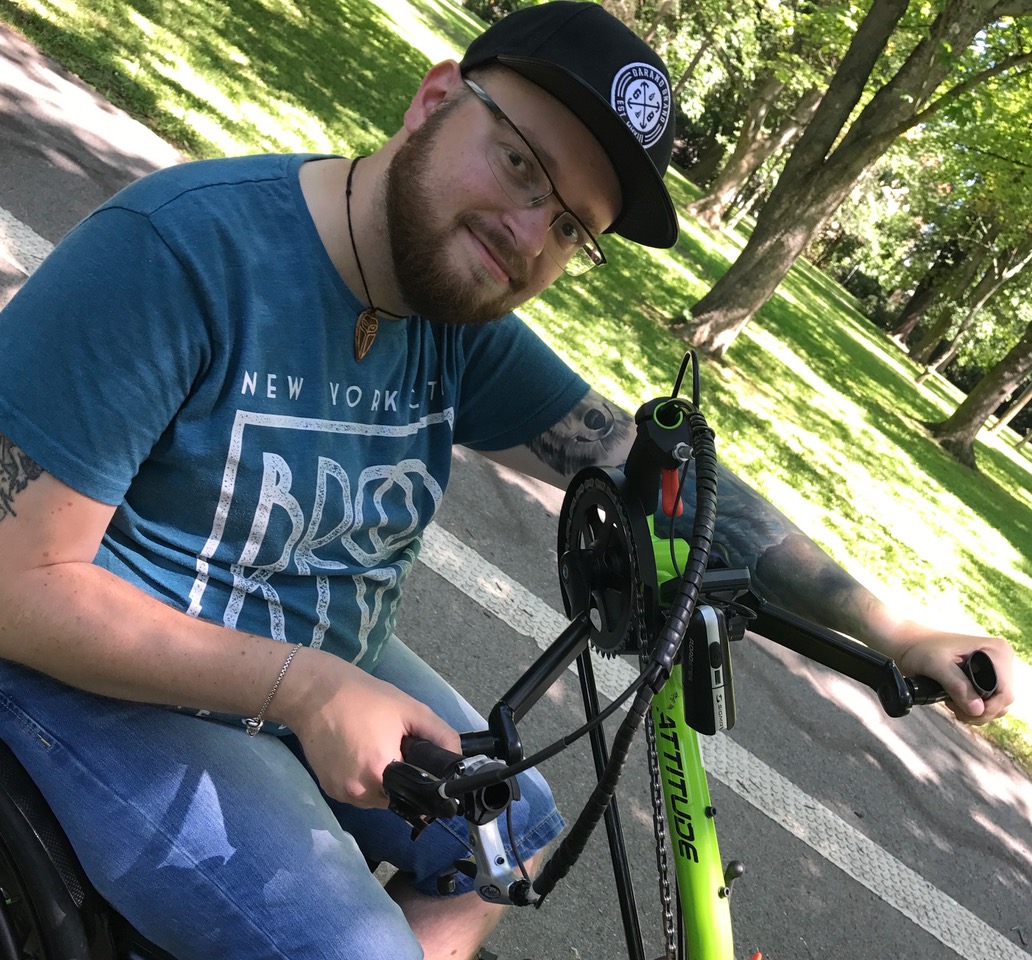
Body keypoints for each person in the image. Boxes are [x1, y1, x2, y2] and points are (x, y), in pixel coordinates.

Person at [0, 2, 1015, 959]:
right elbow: (16, 583)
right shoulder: (181, 253)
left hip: (307, 662)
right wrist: (300, 686)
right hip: (96, 677)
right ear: (435, 100)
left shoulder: (452, 323)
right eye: (523, 164)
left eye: (571, 227)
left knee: (513, 834)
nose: (531, 236)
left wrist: (892, 628)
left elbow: (655, 473)